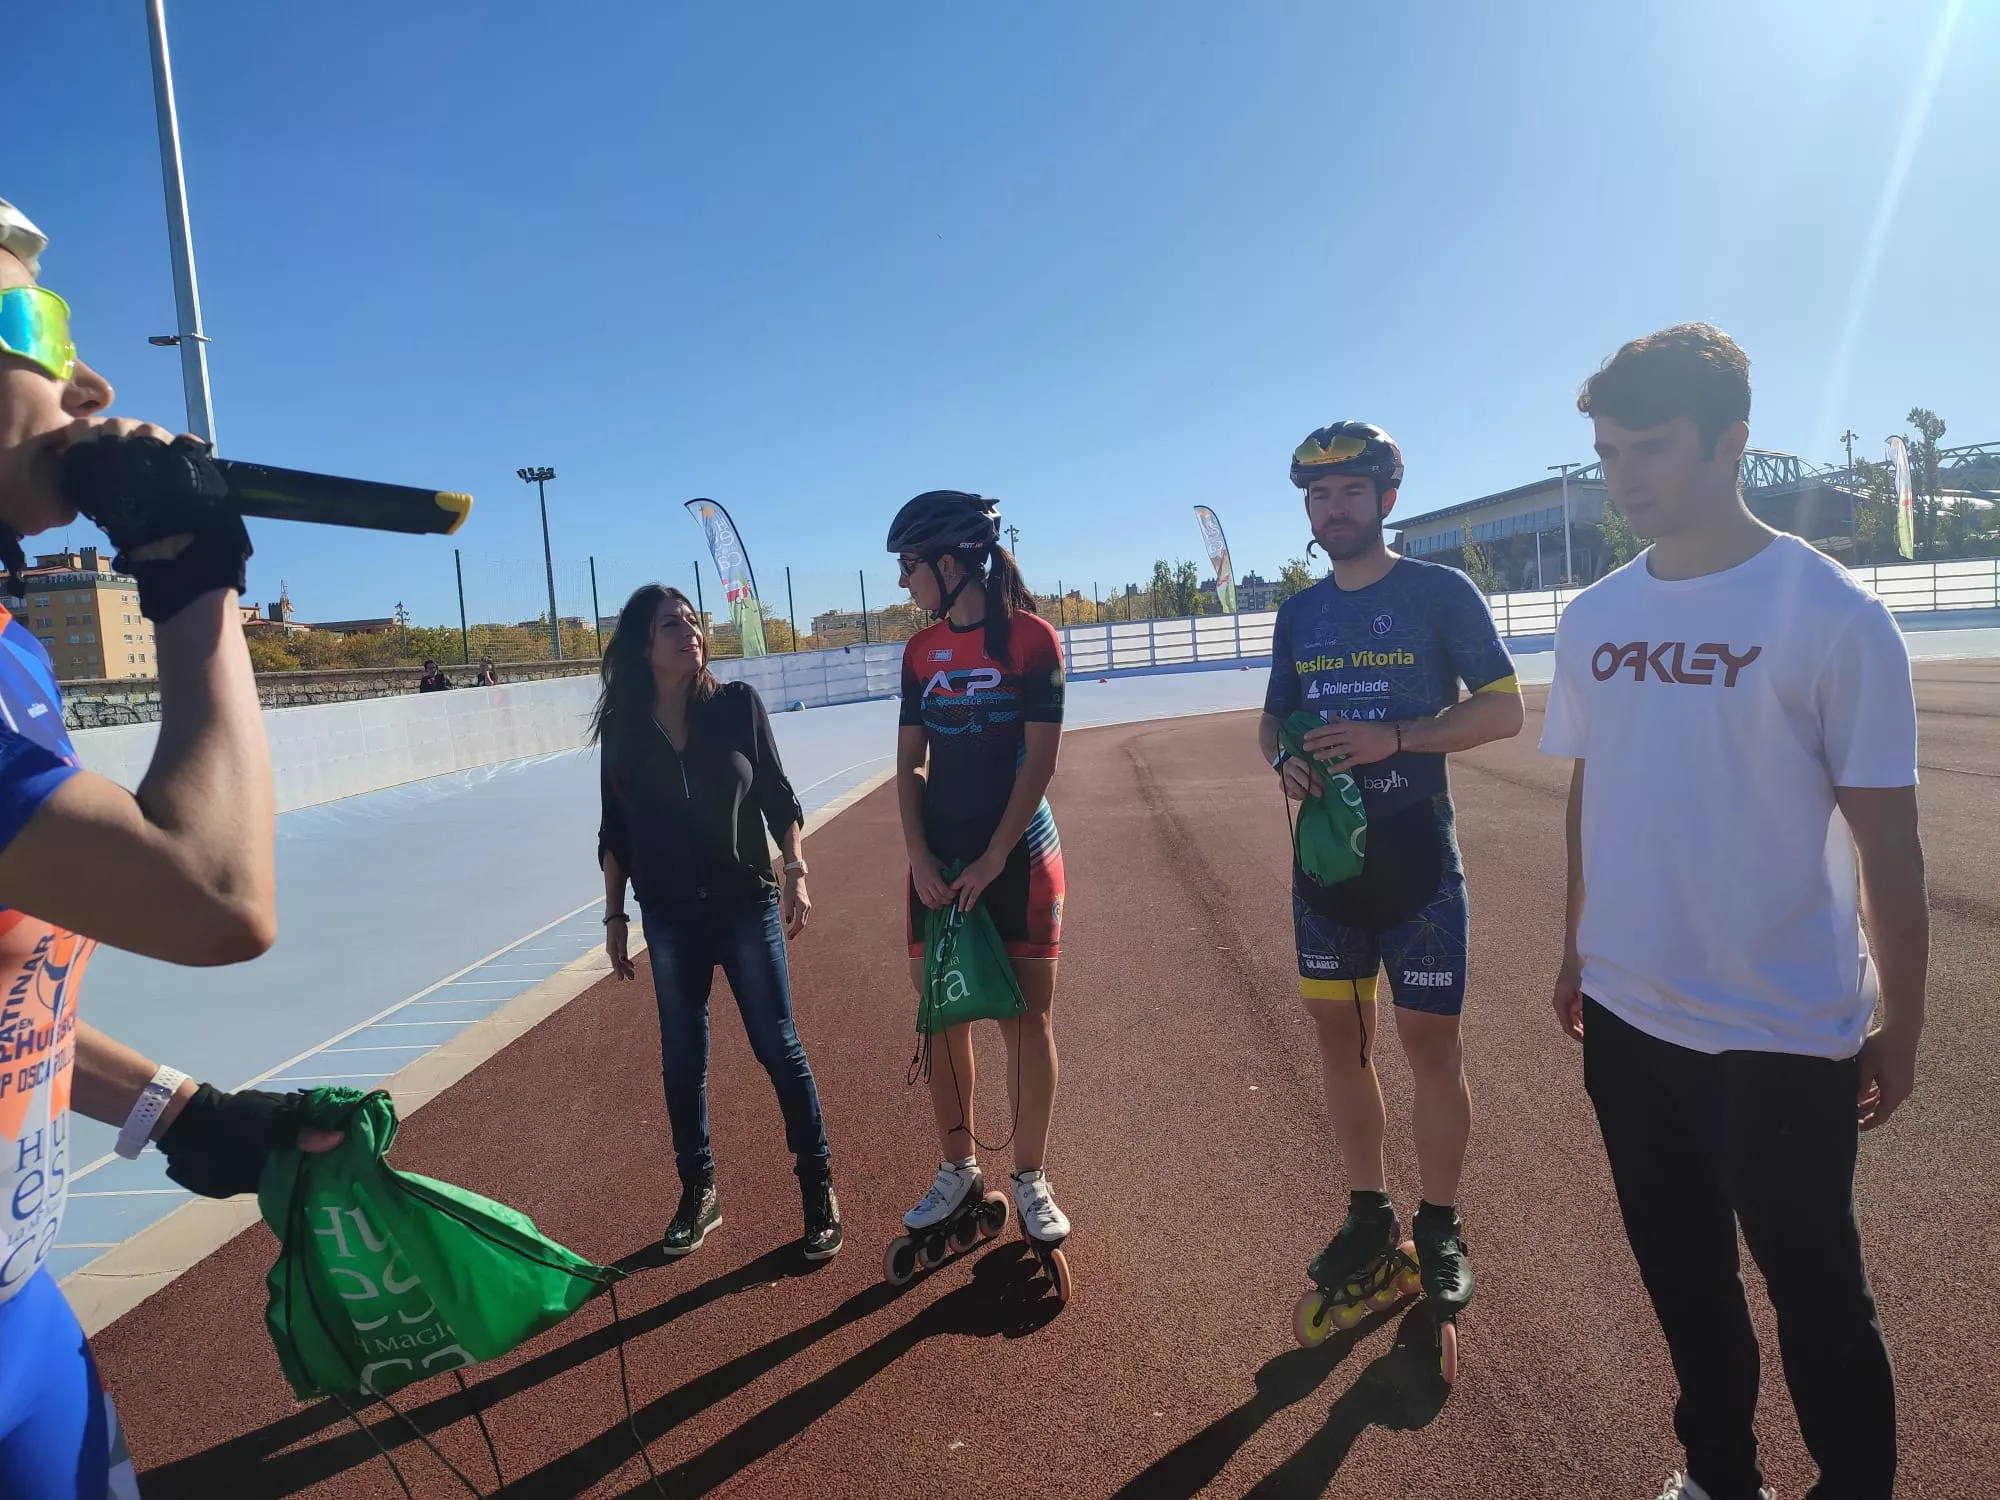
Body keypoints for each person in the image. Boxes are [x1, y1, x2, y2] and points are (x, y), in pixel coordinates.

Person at [0, 196, 340, 1499]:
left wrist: (180, 1112)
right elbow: (216, 895)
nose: (89, 385)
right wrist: (192, 580)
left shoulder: (13, 650)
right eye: (33, 327)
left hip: (20, 1312)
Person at [1545, 325, 1922, 1500]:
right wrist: (1574, 944)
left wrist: (1900, 1029)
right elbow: (1592, 788)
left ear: (1730, 444)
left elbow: (1888, 846)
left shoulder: (1832, 617)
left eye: (1649, 447)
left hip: (1779, 1031)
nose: (1624, 477)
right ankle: (1718, 1475)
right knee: (1682, 1281)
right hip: (1626, 1016)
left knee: (1817, 1299)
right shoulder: (1591, 618)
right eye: (1607, 453)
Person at [1258, 422, 1523, 1363]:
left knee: (1430, 1046)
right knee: (1341, 1041)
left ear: (1386, 500)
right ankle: (1367, 1212)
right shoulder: (1299, 613)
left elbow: (1505, 708)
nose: (1333, 510)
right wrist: (1285, 760)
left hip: (1418, 857)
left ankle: (1440, 1223)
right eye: (1318, 497)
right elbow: (1272, 721)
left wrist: (1399, 738)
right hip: (1326, 865)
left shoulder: (1440, 592)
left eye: (1350, 493)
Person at [593, 584, 840, 1261]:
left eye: (692, 620)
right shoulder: (624, 729)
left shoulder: (736, 705)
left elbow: (778, 797)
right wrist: (614, 914)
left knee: (778, 1047)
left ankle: (818, 1187)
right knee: (682, 1058)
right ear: (644, 645)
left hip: (743, 902)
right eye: (671, 624)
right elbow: (615, 830)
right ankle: (699, 1192)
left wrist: (796, 869)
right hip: (669, 915)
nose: (690, 631)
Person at [887, 491, 1072, 1291]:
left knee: (1026, 1020)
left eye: (909, 566)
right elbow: (909, 764)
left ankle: (1030, 1177)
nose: (903, 582)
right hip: (939, 858)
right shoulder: (919, 653)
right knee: (944, 1014)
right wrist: (919, 856)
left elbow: (1040, 760)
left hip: (1018, 854)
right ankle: (958, 1168)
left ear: (951, 562)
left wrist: (996, 854)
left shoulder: (1032, 640)